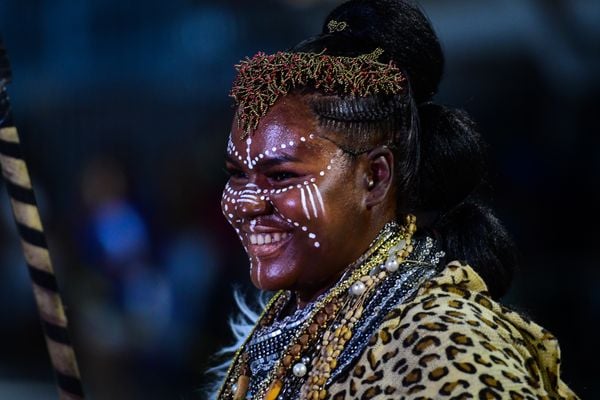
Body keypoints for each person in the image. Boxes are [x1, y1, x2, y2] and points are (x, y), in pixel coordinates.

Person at [212, 0, 579, 399]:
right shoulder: (288, 320)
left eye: (281, 176)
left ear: (374, 177)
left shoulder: (442, 345)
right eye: (236, 174)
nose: (245, 203)